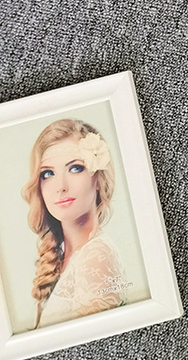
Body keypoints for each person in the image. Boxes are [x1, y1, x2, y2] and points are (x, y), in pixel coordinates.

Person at [21, 119, 128, 329]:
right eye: (48, 174)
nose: (60, 186)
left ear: (98, 179)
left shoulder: (96, 255)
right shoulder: (64, 255)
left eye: (75, 168)